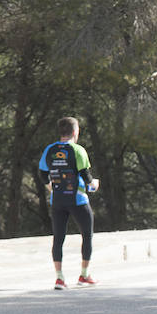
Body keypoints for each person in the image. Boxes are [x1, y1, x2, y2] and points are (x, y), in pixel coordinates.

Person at [39, 117, 100, 290]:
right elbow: (87, 177)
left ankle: (59, 278)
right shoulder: (78, 150)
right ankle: (84, 274)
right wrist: (94, 184)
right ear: (75, 132)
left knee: (58, 238)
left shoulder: (49, 150)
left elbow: (43, 174)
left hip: (57, 200)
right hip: (78, 200)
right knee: (87, 235)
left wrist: (51, 188)